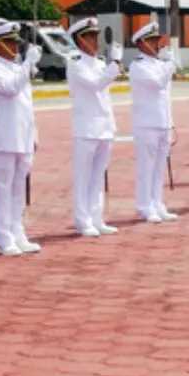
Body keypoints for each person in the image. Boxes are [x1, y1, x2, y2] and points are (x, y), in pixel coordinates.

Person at [0, 22, 42, 255]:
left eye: (16, 42)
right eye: (9, 42)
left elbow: (27, 106)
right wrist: (28, 64)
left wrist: (33, 134)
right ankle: (3, 237)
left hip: (22, 138)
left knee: (18, 191)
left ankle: (18, 233)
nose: (14, 46)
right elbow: (11, 89)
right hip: (3, 139)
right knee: (2, 191)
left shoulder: (17, 68)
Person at [67, 16, 123, 237]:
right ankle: (82, 220)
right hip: (86, 127)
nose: (96, 40)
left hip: (104, 126)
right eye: (90, 36)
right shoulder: (75, 64)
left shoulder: (99, 63)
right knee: (83, 176)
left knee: (98, 175)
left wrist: (111, 65)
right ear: (80, 40)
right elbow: (96, 85)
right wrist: (115, 64)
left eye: (96, 36)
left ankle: (96, 217)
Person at [128, 22, 178, 223]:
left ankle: (157, 203)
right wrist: (170, 65)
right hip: (146, 123)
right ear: (140, 44)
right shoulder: (138, 66)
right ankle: (144, 205)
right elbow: (158, 84)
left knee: (159, 168)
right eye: (151, 41)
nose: (156, 45)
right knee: (146, 168)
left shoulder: (160, 64)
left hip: (162, 122)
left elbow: (166, 96)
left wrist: (170, 121)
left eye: (157, 40)